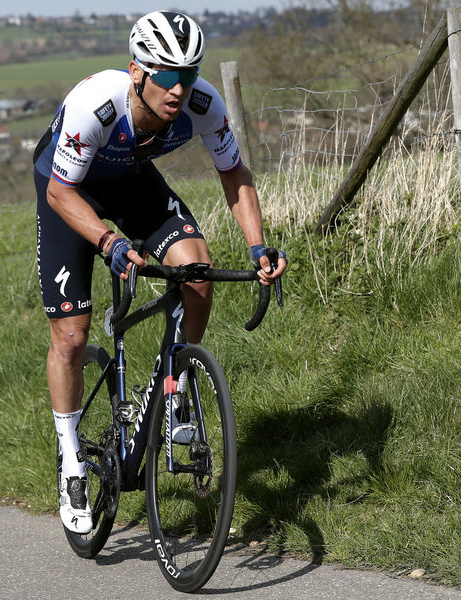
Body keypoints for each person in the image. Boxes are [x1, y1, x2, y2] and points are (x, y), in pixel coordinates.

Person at [32, 10, 287, 534]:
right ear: (136, 72)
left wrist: (258, 245)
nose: (178, 89)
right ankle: (72, 462)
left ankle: (176, 394)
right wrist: (108, 241)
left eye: (188, 75)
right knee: (72, 335)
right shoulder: (96, 108)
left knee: (197, 270)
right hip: (68, 191)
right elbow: (61, 191)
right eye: (166, 76)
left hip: (131, 183)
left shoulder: (201, 104)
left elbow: (234, 171)